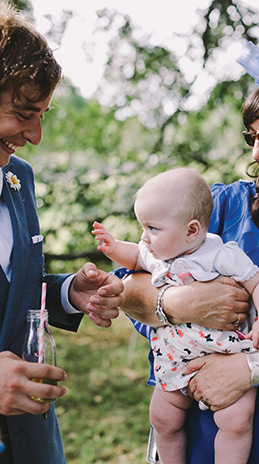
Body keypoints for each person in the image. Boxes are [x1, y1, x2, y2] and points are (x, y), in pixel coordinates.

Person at [91, 26, 259, 463]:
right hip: (191, 435)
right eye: (252, 137)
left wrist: (249, 370)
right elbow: (131, 285)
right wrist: (182, 302)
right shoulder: (223, 205)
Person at [0, 3, 123, 463]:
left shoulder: (19, 179)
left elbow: (15, 296)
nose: (34, 135)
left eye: (43, 115)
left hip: (32, 445)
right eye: (23, 112)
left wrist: (72, 293)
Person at [92, 168, 259, 464]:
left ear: (192, 230)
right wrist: (113, 247)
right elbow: (135, 256)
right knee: (163, 418)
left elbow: (258, 282)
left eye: (152, 228)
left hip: (226, 354)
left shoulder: (221, 254)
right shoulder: (158, 253)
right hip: (175, 359)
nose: (145, 237)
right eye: (143, 227)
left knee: (235, 422)